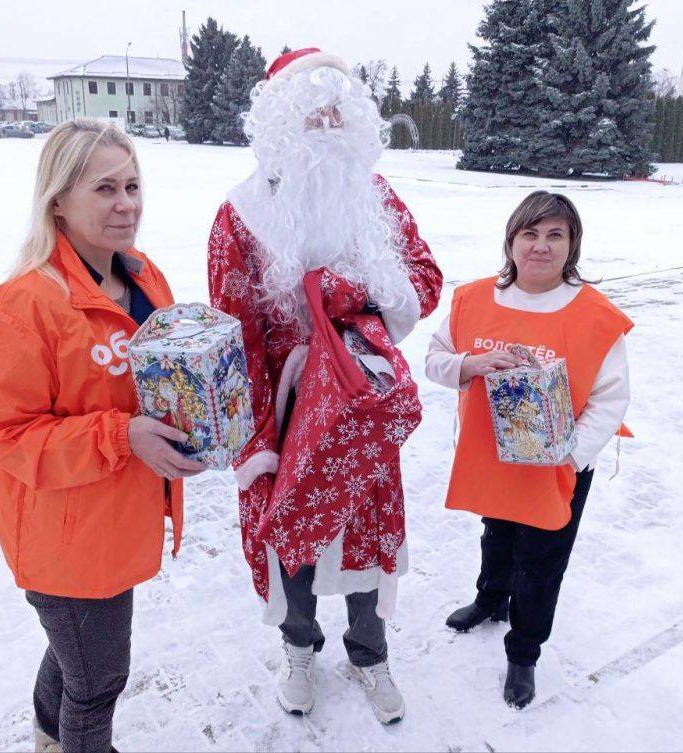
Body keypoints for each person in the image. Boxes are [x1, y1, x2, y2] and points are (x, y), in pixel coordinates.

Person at [207, 48, 442, 724]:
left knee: (362, 528)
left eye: (340, 105)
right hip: (282, 407)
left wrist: (351, 291)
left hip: (360, 395)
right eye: (314, 105)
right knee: (296, 537)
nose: (329, 118)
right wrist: (255, 441)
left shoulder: (375, 196)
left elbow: (424, 278)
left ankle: (369, 652)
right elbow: (234, 334)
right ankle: (300, 647)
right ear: (283, 119)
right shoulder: (242, 213)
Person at [0, 118, 204, 753]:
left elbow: (156, 378)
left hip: (121, 516)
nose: (125, 204)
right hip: (66, 537)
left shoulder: (143, 278)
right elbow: (2, 432)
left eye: (132, 185)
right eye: (103, 189)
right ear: (58, 201)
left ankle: (47, 733)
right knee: (98, 680)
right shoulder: (19, 308)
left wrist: (198, 417)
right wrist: (123, 437)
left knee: (75, 655)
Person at [425, 191, 632, 710]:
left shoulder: (595, 316)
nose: (541, 246)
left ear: (571, 246)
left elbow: (610, 398)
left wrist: (571, 453)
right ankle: (490, 599)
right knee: (496, 535)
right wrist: (470, 365)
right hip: (491, 456)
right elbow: (435, 359)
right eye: (530, 234)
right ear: (512, 243)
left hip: (556, 465)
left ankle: (524, 654)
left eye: (554, 235)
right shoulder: (472, 300)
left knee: (541, 561)